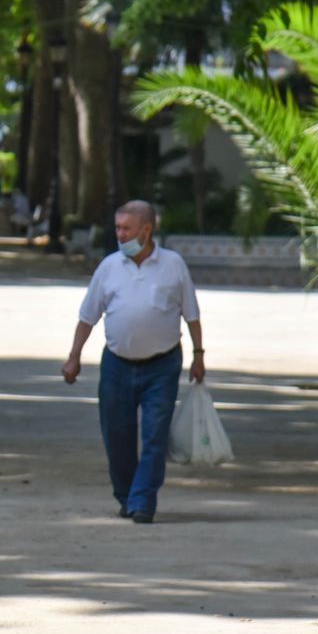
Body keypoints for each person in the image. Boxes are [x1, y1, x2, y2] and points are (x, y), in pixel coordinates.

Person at [61, 201, 204, 525]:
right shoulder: (109, 267)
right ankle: (126, 496)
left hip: (162, 365)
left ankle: (143, 501)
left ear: (146, 230)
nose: (120, 234)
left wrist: (199, 355)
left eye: (126, 228)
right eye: (117, 228)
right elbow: (88, 317)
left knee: (155, 435)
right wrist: (74, 357)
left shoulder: (173, 265)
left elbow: (192, 314)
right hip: (117, 364)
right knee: (117, 435)